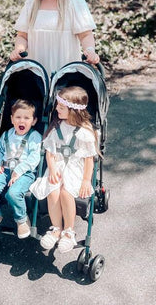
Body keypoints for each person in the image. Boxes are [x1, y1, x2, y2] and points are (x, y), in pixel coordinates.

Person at [29, 86, 99, 253]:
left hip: (76, 170)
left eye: (61, 107)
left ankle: (69, 231)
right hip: (58, 167)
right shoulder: (56, 127)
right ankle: (56, 228)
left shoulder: (84, 132)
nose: (56, 110)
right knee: (53, 190)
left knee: (66, 192)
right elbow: (50, 153)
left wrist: (86, 180)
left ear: (73, 111)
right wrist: (52, 169)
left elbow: (89, 159)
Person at [9, 0, 100, 76]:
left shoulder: (74, 1)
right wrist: (19, 49)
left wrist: (90, 51)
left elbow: (85, 35)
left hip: (66, 76)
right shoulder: (31, 3)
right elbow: (22, 36)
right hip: (37, 78)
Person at [0, 99, 42, 239]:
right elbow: (1, 152)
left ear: (33, 121)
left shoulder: (34, 137)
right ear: (12, 119)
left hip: (25, 173)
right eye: (18, 117)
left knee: (13, 193)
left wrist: (19, 170)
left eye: (26, 118)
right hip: (6, 170)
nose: (22, 121)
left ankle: (21, 220)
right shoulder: (6, 135)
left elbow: (35, 158)